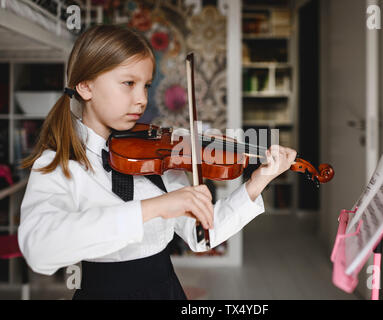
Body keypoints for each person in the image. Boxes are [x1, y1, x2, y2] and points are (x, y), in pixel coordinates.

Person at [18, 25, 297, 300]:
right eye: (129, 83)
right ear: (85, 86)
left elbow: (202, 237)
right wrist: (154, 208)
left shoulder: (156, 157)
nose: (142, 100)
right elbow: (39, 249)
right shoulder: (59, 163)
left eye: (147, 86)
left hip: (166, 291)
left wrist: (257, 182)